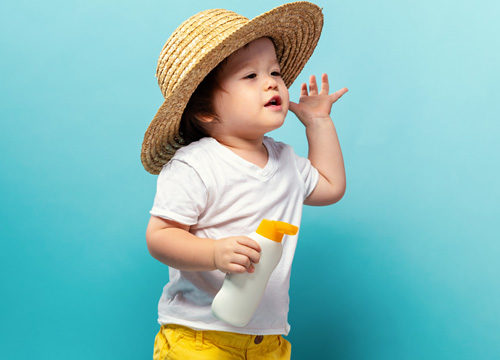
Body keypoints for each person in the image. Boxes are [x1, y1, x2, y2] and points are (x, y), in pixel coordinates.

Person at [141, 2, 348, 359]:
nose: (271, 82)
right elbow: (159, 237)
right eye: (250, 76)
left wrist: (318, 123)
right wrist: (214, 253)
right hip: (199, 336)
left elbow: (330, 186)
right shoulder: (195, 165)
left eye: (276, 72)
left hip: (266, 339)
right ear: (205, 111)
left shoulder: (285, 159)